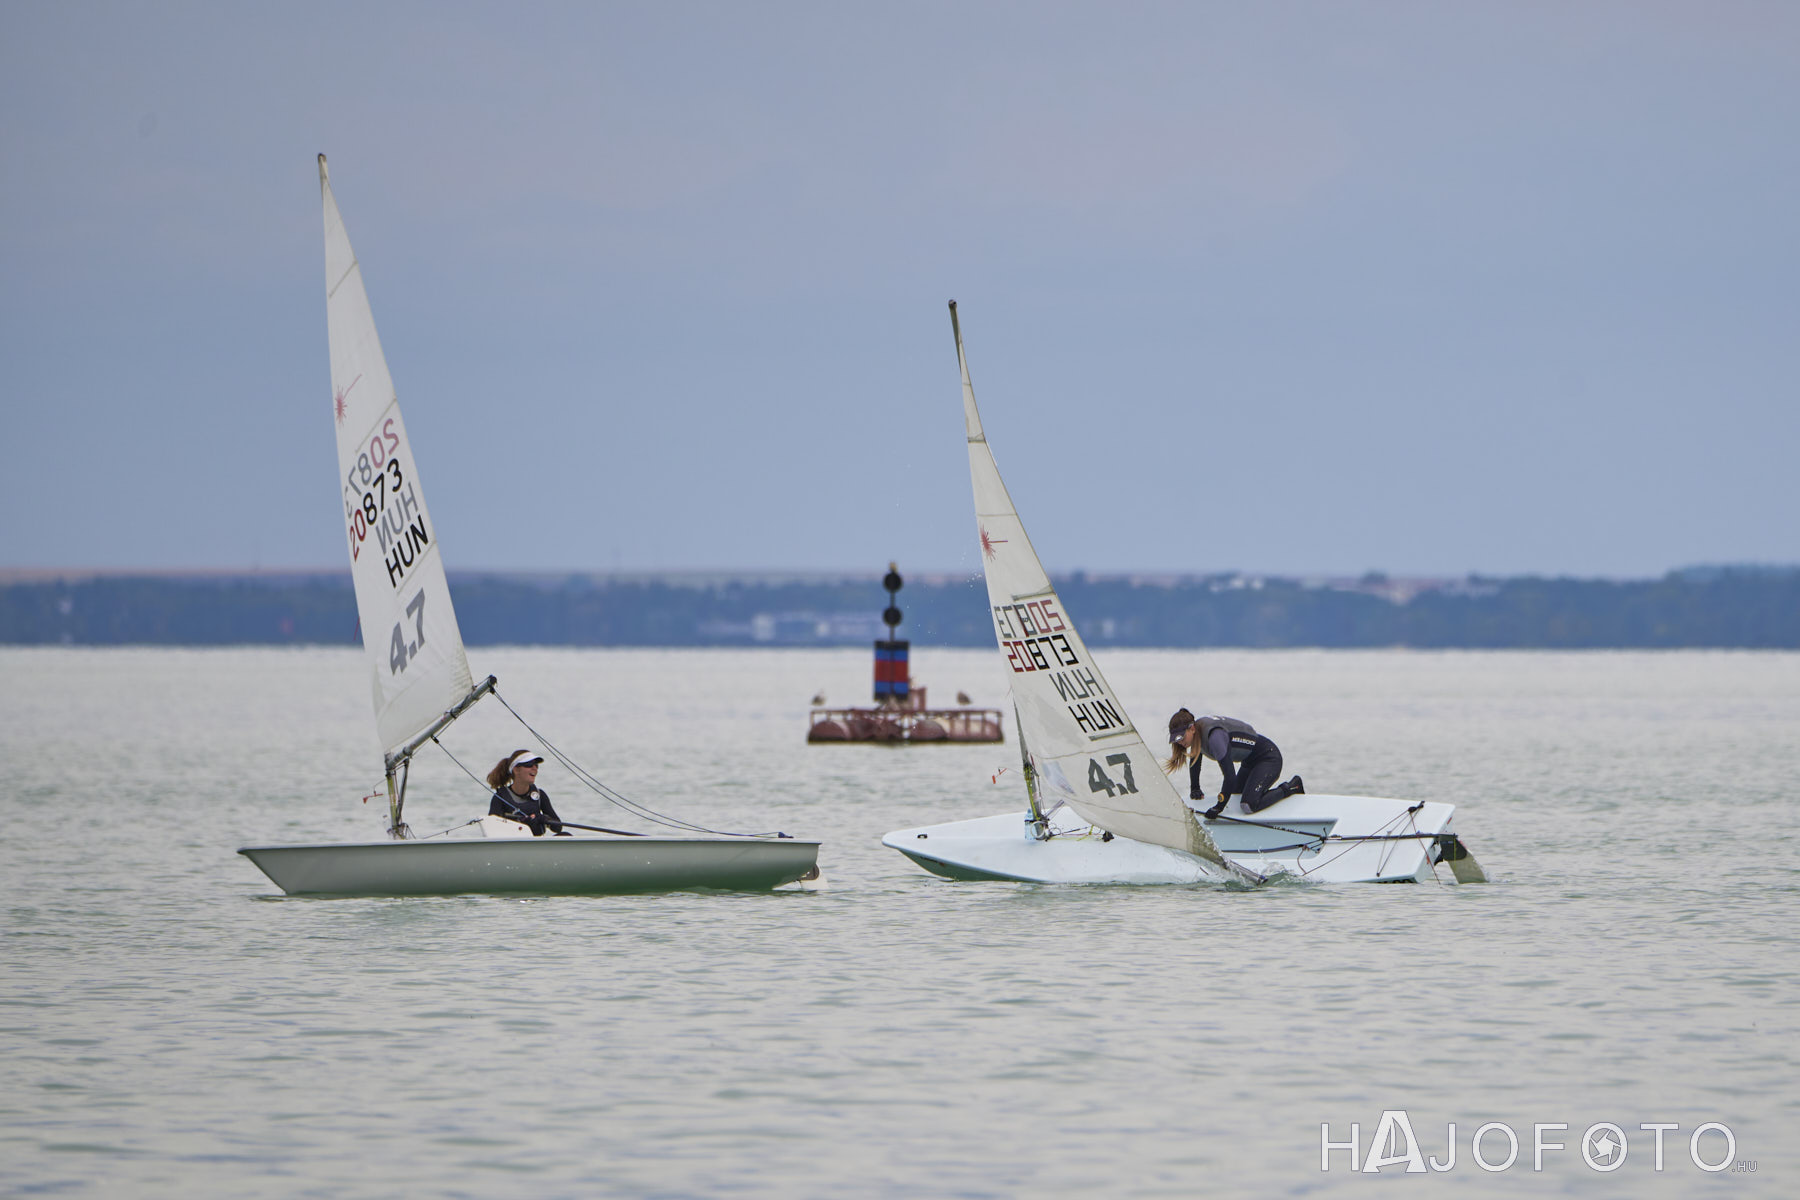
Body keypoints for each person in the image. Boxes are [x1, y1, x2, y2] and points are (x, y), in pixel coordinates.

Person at [1164, 707, 1303, 819]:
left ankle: (1291, 787)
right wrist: (1195, 789)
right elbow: (1195, 762)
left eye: (1181, 738)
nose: (1180, 743)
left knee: (1248, 805)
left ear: (1192, 729)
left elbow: (1230, 777)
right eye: (1176, 740)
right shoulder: (1197, 735)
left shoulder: (1215, 737)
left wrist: (1218, 807)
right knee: (1234, 800)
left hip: (1268, 758)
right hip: (1249, 762)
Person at [485, 749, 571, 836]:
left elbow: (558, 828)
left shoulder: (540, 795)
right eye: (529, 764)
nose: (534, 768)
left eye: (536, 765)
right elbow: (491, 828)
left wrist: (544, 818)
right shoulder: (500, 797)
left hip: (535, 842)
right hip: (512, 842)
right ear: (516, 770)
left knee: (566, 835)